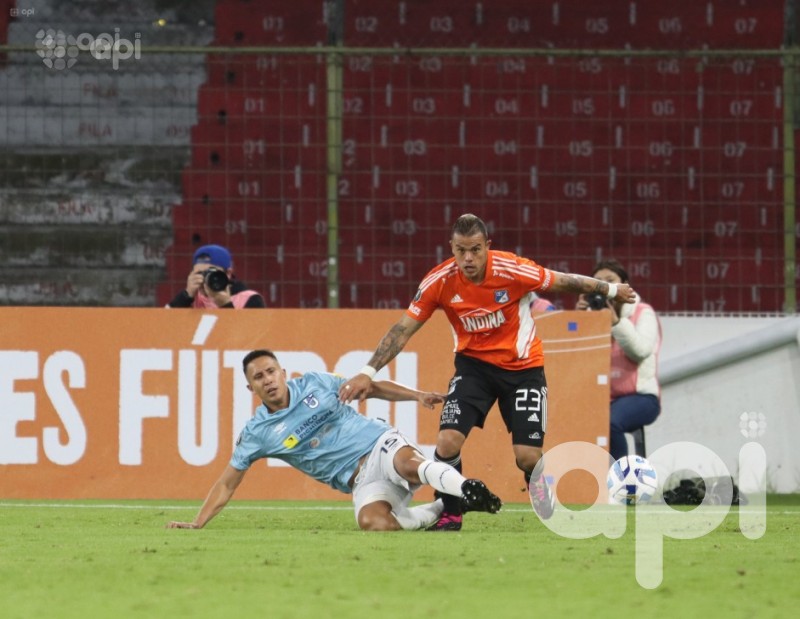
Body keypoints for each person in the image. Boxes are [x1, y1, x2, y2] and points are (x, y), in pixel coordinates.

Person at [339, 213, 636, 531]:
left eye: (476, 250)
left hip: (523, 369)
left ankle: (538, 487)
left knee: (527, 457)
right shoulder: (439, 282)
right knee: (447, 442)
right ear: (451, 247)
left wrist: (610, 290)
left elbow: (563, 280)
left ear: (487, 246)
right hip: (474, 369)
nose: (468, 258)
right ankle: (451, 511)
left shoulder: (513, 269)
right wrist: (367, 371)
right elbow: (402, 330)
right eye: (461, 250)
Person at [167, 349, 502, 532]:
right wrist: (198, 523)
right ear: (250, 388)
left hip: (380, 446)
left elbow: (369, 387)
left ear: (284, 372)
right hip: (360, 481)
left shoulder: (316, 382)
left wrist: (417, 396)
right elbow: (227, 484)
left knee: (407, 464)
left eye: (271, 371)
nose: (267, 380)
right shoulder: (257, 433)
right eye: (258, 377)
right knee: (374, 523)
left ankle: (465, 488)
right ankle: (445, 507)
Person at [575, 259, 661, 461]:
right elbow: (576, 359)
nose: (604, 287)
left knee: (608, 422)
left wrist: (616, 322)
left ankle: (621, 484)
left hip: (641, 397)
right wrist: (579, 319)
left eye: (610, 281)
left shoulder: (643, 312)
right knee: (568, 420)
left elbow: (640, 351)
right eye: (597, 282)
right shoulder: (590, 315)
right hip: (601, 398)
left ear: (624, 286)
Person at [166, 244, 265, 308]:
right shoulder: (192, 299)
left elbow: (250, 337)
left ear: (228, 273)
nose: (206, 279)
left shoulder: (248, 299)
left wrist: (225, 305)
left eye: (211, 273)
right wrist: (185, 297)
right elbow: (163, 327)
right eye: (200, 273)